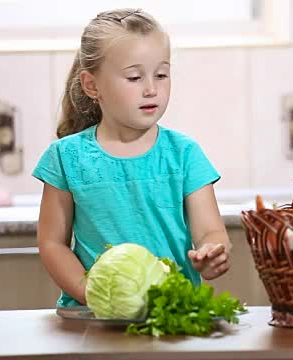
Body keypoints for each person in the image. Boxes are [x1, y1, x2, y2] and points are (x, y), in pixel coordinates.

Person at [33, 8, 231, 308]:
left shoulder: (185, 154)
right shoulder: (66, 158)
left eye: (162, 75)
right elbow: (52, 243)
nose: (152, 89)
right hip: (93, 318)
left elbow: (210, 231)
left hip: (172, 315)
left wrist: (212, 252)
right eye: (135, 77)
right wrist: (91, 293)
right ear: (91, 85)